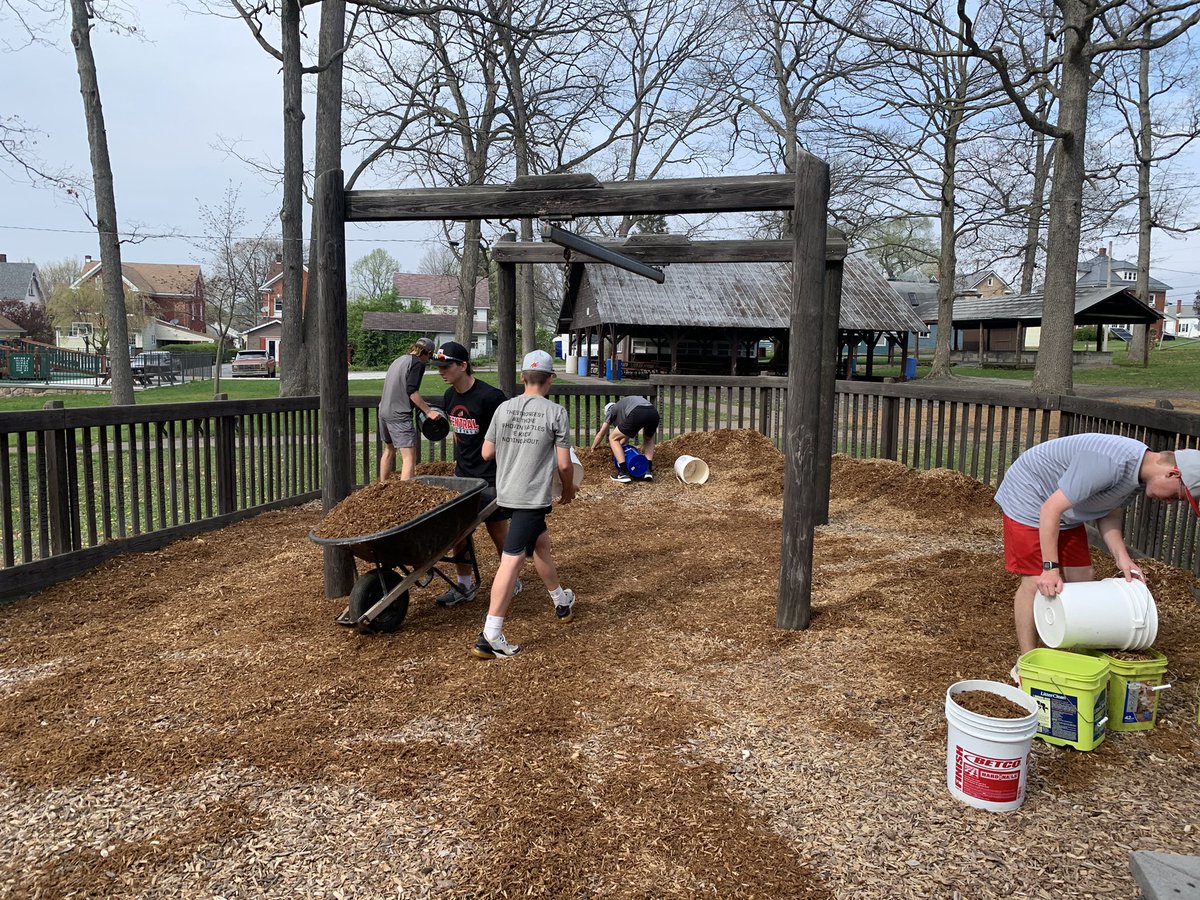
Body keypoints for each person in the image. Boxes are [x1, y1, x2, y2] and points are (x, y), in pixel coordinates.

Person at [995, 433, 1200, 669]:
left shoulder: (1139, 475)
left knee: (1083, 577)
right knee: (1036, 581)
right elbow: (1050, 510)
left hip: (1063, 506)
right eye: (1177, 496)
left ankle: (1075, 652)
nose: (1171, 502)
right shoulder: (1111, 462)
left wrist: (1123, 559)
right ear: (1173, 473)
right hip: (1030, 496)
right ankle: (1027, 664)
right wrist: (1050, 568)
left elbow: (1108, 512)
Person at [471, 349, 577, 660]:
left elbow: (486, 453)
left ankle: (561, 601)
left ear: (522, 378)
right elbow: (565, 464)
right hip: (530, 498)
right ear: (550, 379)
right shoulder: (555, 412)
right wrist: (568, 489)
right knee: (512, 561)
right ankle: (491, 635)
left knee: (540, 544)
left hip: (506, 493)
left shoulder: (503, 408)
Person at [429, 340, 521, 606]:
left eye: (446, 366)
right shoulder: (449, 396)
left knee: (497, 531)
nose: (441, 371)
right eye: (439, 367)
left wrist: (507, 474)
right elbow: (458, 435)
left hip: (490, 477)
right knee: (459, 533)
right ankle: (464, 585)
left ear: (463, 365)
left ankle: (512, 579)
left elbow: (508, 437)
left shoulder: (491, 398)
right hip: (463, 477)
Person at [378, 337, 441, 482]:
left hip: (384, 411)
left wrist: (421, 404)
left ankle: (382, 487)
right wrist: (429, 411)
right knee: (409, 457)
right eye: (430, 357)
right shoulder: (418, 364)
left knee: (389, 450)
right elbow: (411, 390)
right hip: (399, 414)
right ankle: (404, 493)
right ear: (428, 353)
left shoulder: (399, 360)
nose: (428, 360)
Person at [591, 395, 661, 483]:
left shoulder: (611, 410)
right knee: (649, 439)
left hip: (638, 411)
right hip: (653, 412)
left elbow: (601, 434)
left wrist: (593, 447)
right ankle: (648, 470)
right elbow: (626, 434)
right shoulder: (624, 407)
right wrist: (619, 446)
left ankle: (623, 473)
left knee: (612, 438)